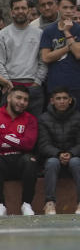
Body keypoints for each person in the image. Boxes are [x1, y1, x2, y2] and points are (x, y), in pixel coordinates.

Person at [37, 88, 80, 214]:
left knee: (76, 162)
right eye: (58, 98)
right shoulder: (43, 119)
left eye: (65, 98)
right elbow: (43, 144)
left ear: (70, 100)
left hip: (74, 156)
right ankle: (49, 203)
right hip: (53, 157)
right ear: (52, 101)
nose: (62, 101)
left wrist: (71, 153)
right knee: (51, 163)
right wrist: (58, 154)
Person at [39, 0, 80, 112]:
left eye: (72, 8)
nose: (69, 11)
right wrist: (68, 47)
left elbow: (79, 54)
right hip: (55, 84)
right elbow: (45, 57)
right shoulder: (48, 30)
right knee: (55, 121)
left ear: (75, 9)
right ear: (57, 8)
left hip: (77, 84)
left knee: (79, 121)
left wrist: (66, 31)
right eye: (65, 7)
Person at [0, 0, 46, 117]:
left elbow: (43, 61)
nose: (20, 11)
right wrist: (8, 84)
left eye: (23, 8)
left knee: (34, 127)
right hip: (9, 87)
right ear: (11, 12)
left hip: (33, 88)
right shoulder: (3, 34)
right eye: (17, 8)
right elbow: (0, 62)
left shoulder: (39, 34)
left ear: (29, 11)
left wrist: (37, 82)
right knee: (8, 130)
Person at [0, 87, 39, 216]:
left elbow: (28, 144)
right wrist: (17, 141)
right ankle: (1, 206)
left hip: (20, 160)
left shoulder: (30, 119)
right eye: (18, 98)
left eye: (25, 100)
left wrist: (4, 137)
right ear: (9, 98)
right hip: (2, 159)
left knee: (30, 160)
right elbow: (22, 142)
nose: (22, 102)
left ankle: (26, 204)